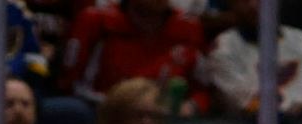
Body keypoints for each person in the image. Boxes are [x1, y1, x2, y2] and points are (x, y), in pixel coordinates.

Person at [197, 10, 302, 118]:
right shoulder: (224, 47)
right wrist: (298, 107)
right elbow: (246, 105)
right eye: (246, 0)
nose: (254, 5)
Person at [65, 0, 203, 100]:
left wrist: (191, 106)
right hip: (101, 111)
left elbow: (203, 89)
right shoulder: (96, 20)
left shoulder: (189, 28)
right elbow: (68, 81)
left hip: (164, 119)